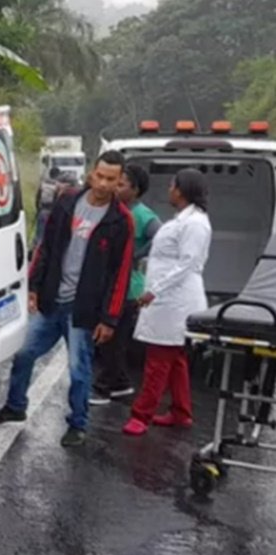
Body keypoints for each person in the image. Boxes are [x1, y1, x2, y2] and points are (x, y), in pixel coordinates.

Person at [0, 151, 134, 447]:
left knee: (79, 370)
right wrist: (34, 285)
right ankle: (15, 406)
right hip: (54, 302)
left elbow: (122, 273)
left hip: (85, 310)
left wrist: (109, 318)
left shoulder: (121, 221)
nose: (103, 184)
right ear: (92, 173)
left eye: (111, 180)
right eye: (100, 176)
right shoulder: (68, 202)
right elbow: (46, 247)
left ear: (119, 182)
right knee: (24, 353)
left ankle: (78, 423)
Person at [122, 168, 211, 435]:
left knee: (158, 361)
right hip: (168, 299)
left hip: (174, 302)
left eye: (172, 185)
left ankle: (141, 415)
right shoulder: (183, 220)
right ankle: (181, 412)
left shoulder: (194, 223)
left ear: (182, 191)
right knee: (175, 360)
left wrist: (154, 291)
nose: (169, 189)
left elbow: (187, 264)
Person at [91, 163, 162, 404]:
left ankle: (103, 387)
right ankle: (120, 382)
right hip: (110, 285)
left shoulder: (142, 215)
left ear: (136, 189)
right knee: (111, 340)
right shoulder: (114, 209)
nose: (116, 188)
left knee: (114, 342)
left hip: (129, 288)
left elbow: (159, 238)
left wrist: (135, 254)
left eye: (121, 185)